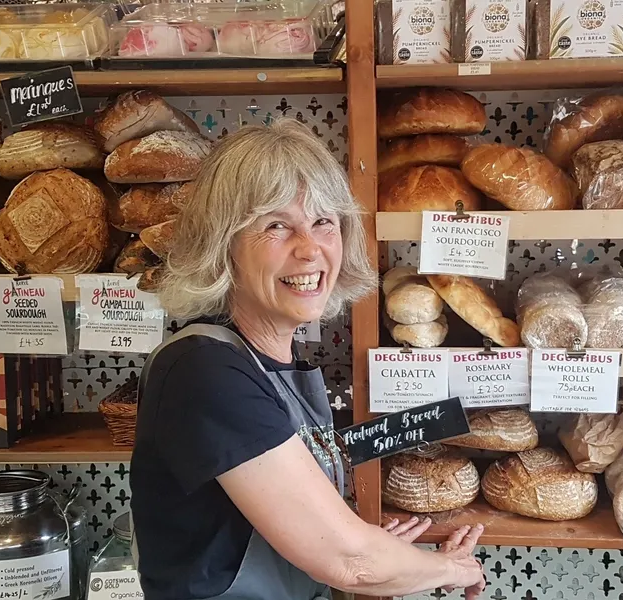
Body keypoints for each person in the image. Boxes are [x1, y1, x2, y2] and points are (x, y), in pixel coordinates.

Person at [130, 118, 487, 600]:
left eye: (324, 221)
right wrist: (448, 570)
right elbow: (352, 563)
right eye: (276, 225)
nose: (310, 248)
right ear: (223, 245)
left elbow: (337, 543)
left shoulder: (267, 358)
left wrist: (377, 549)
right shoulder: (205, 372)